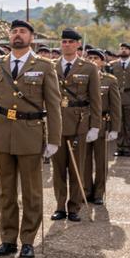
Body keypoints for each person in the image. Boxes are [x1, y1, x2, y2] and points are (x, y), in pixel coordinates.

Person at [0, 20, 62, 258]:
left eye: (22, 31)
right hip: (1, 132)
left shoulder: (44, 66)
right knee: (5, 191)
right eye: (14, 31)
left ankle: (28, 241)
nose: (17, 35)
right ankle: (7, 239)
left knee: (32, 192)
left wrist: (54, 138)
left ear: (31, 38)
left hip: (30, 133)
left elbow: (54, 105)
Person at [50, 29, 102, 222]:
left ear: (78, 45)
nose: (67, 45)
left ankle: (74, 207)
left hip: (80, 122)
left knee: (76, 167)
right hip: (57, 122)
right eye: (64, 41)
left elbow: (96, 100)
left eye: (71, 42)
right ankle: (59, 206)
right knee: (57, 168)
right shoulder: (51, 66)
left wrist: (95, 126)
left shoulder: (88, 68)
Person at [82, 49, 121, 205]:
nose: (92, 60)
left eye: (96, 58)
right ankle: (86, 190)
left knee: (101, 161)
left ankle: (99, 192)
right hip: (84, 123)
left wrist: (115, 128)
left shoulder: (109, 80)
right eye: (89, 58)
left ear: (103, 62)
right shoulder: (82, 77)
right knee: (84, 160)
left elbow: (115, 106)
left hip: (103, 124)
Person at [110, 43, 130, 156]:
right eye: (121, 48)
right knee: (119, 122)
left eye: (126, 49)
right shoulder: (113, 65)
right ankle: (119, 147)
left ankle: (127, 146)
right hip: (117, 96)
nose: (123, 50)